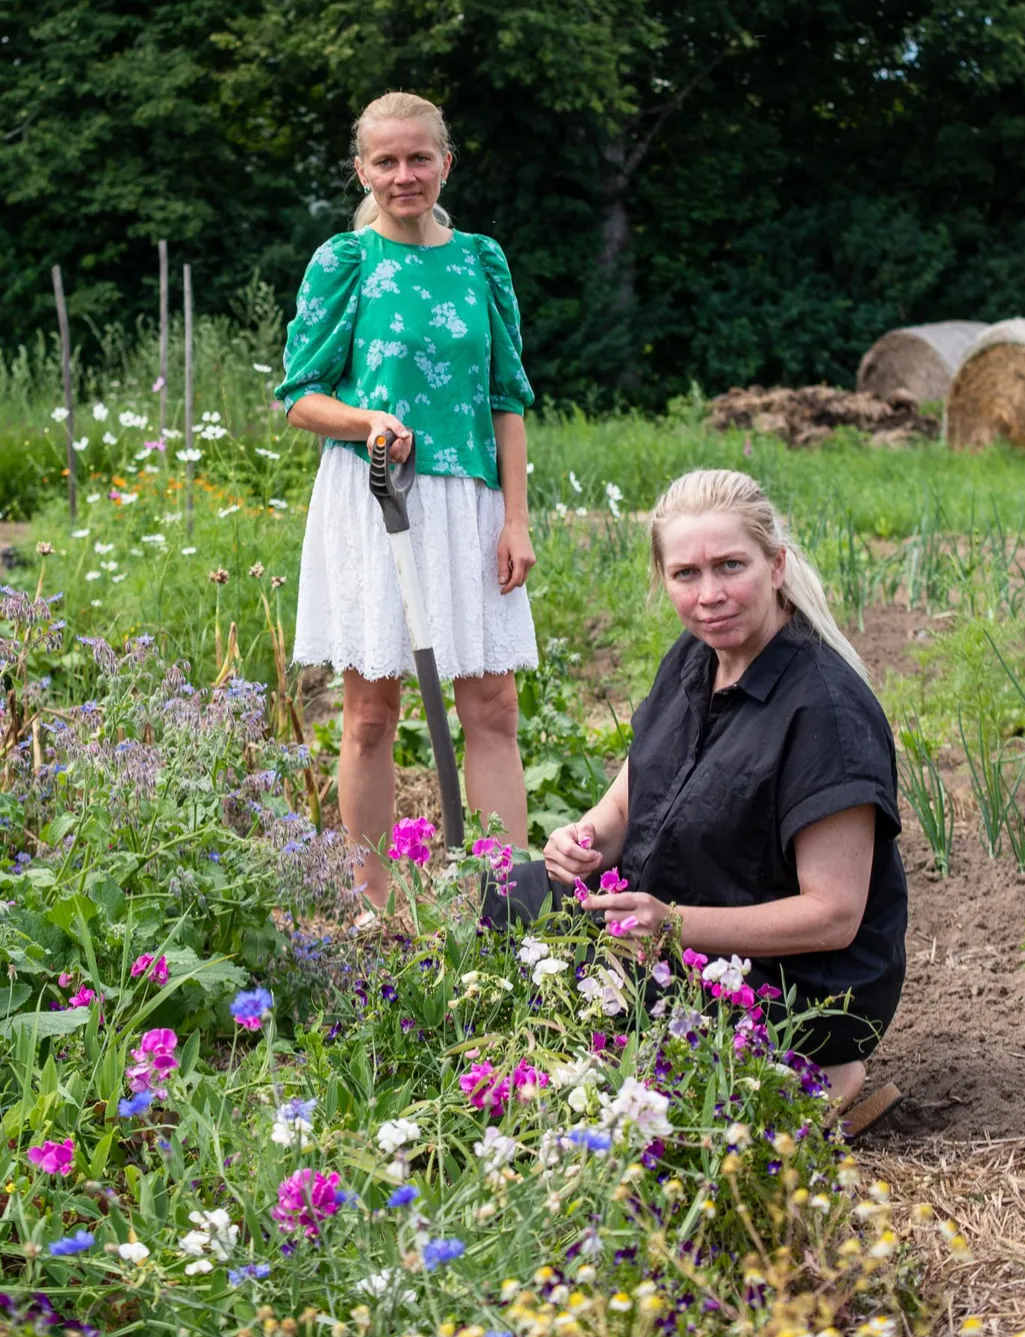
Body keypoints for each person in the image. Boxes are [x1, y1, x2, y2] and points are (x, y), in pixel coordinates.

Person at [539, 467, 907, 1114]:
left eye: (730, 565)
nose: (710, 594)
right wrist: (587, 838)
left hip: (796, 981)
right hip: (675, 927)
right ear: (664, 579)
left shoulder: (824, 710)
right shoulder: (693, 658)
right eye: (686, 574)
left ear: (776, 565)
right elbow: (631, 795)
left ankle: (819, 1069)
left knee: (597, 996)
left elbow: (834, 913)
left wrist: (675, 926)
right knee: (504, 895)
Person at [276, 90, 537, 907]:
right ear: (362, 169)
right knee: (370, 714)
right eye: (384, 161)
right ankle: (373, 906)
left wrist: (517, 518)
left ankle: (504, 903)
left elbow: (507, 395)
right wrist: (365, 419)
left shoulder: (481, 261)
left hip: (470, 505)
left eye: (418, 157)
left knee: (492, 708)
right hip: (377, 498)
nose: (403, 174)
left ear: (445, 162)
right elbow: (299, 395)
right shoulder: (344, 263)